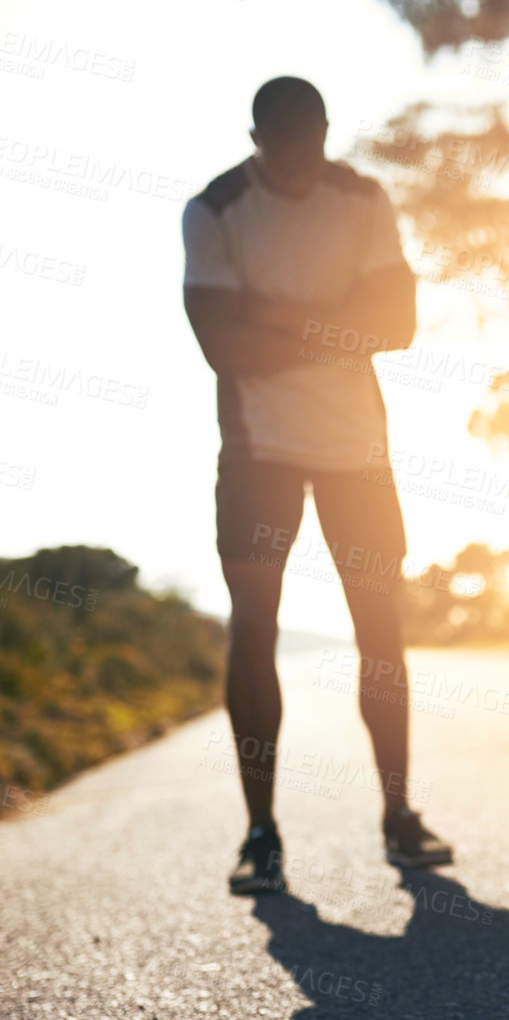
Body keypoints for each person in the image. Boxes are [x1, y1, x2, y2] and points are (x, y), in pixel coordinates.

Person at [181, 76, 452, 893]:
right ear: (256, 137)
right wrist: (335, 323)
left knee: (380, 626)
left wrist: (274, 317)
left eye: (312, 143)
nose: (299, 164)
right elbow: (224, 350)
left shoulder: (362, 198)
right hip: (260, 450)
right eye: (282, 147)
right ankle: (261, 833)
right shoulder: (215, 210)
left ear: (328, 133)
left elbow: (397, 327)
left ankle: (398, 816)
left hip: (357, 450)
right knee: (254, 627)